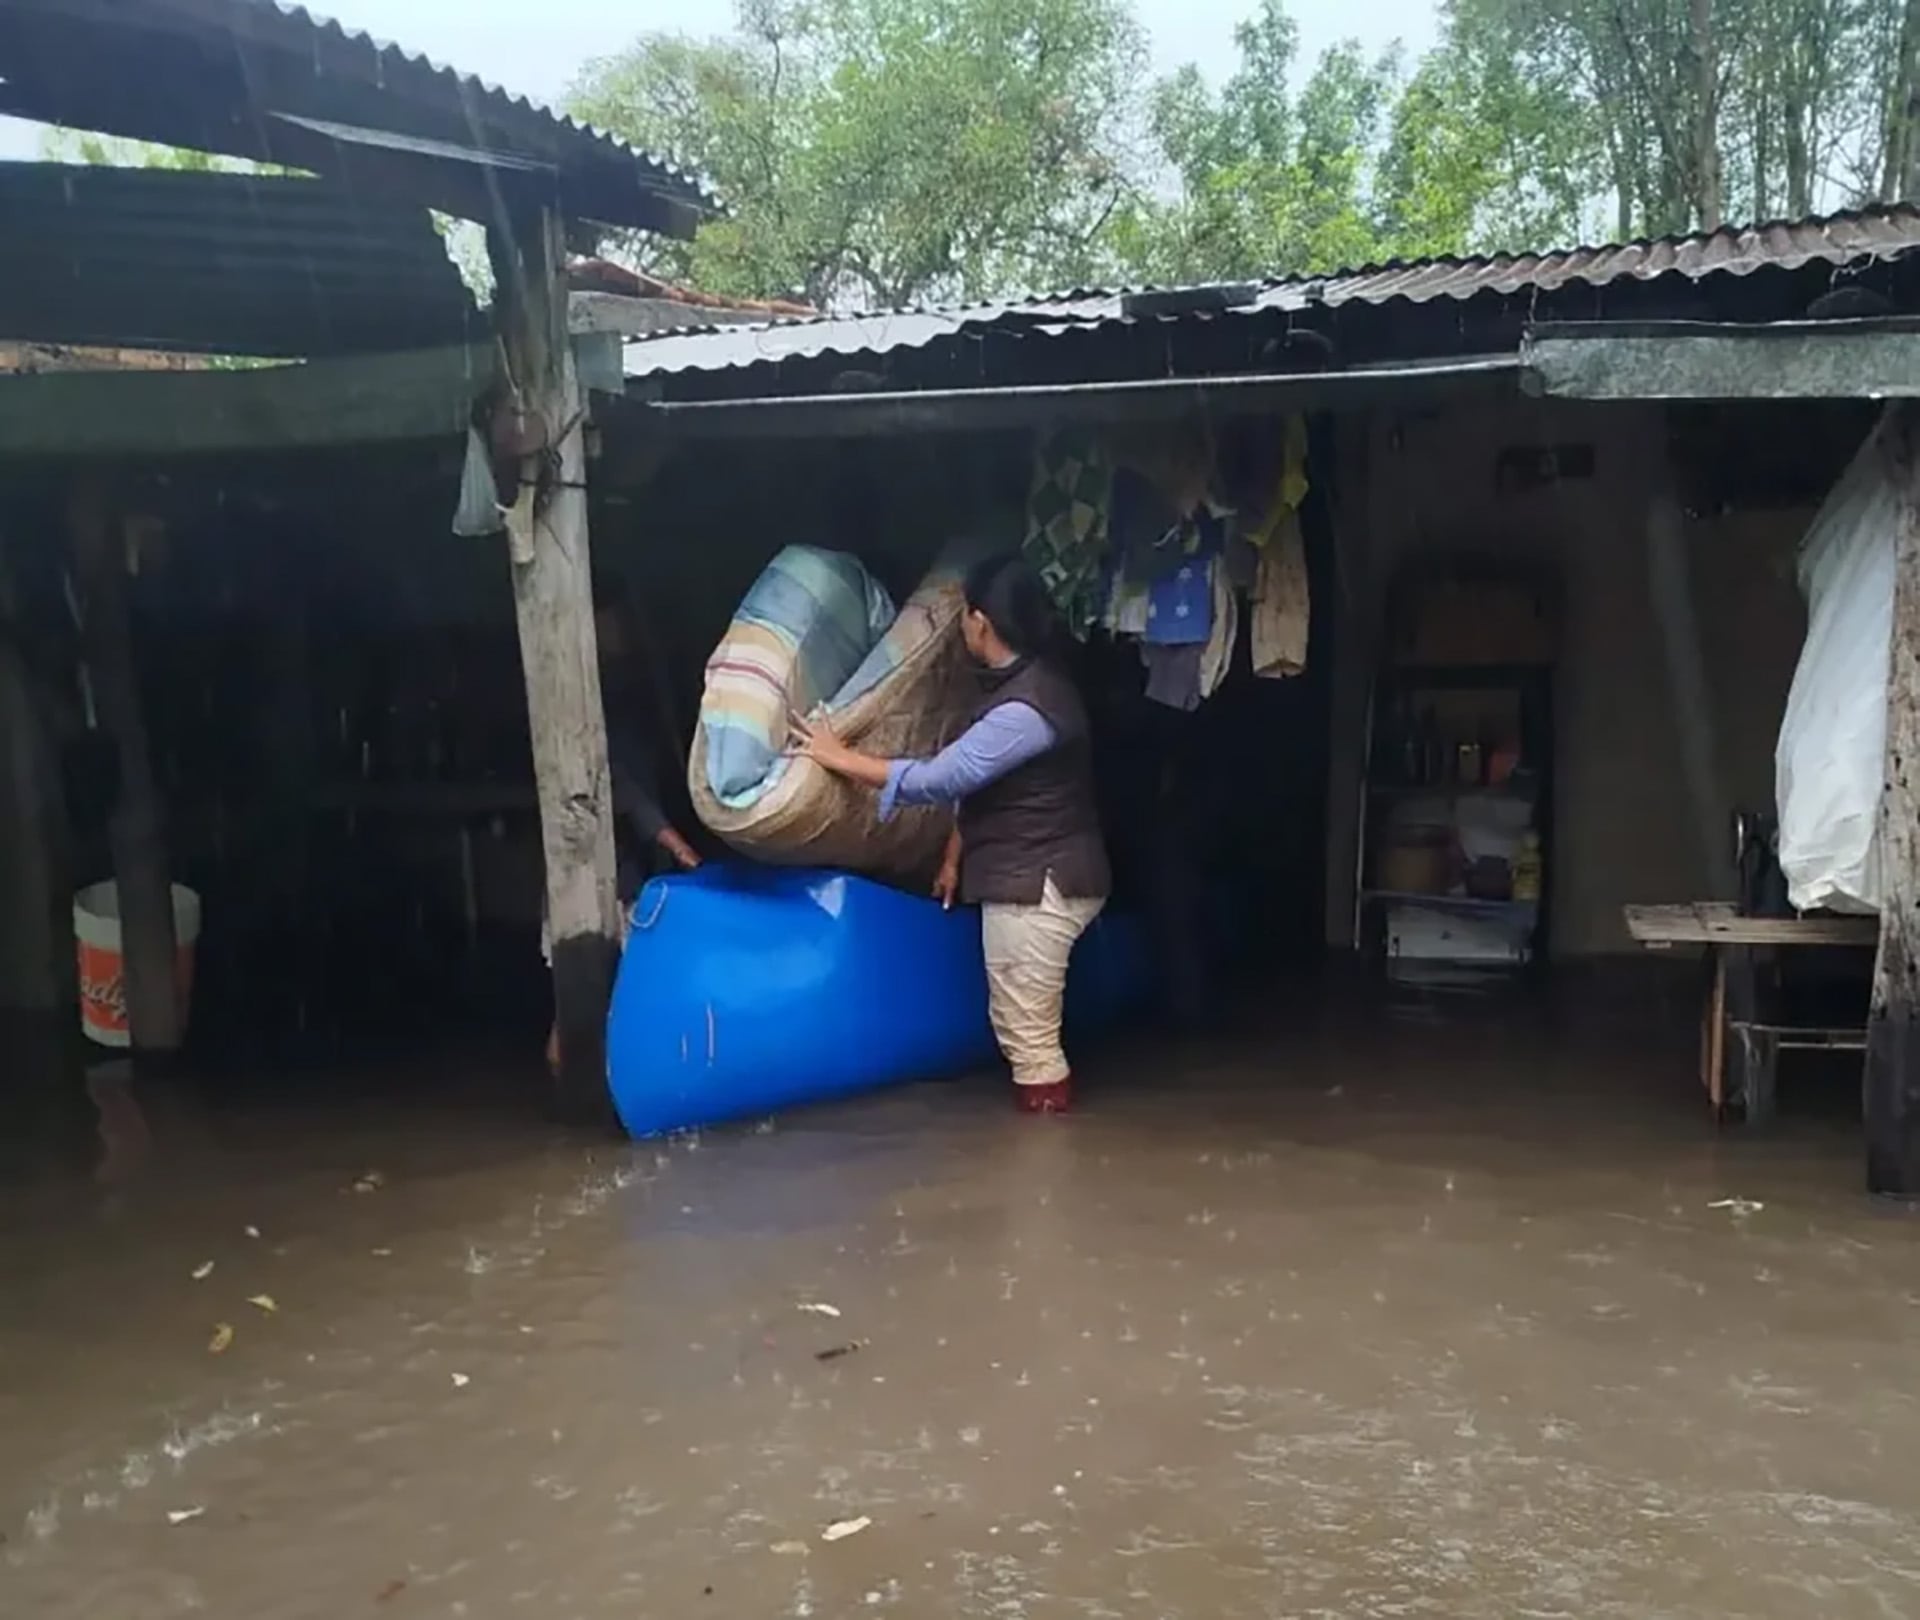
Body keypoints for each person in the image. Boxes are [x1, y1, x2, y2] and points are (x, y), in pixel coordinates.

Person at [794, 554, 1110, 1114]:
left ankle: (1047, 1169)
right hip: (1042, 875)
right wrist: (953, 855)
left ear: (980, 622)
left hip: (1037, 886)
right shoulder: (1028, 686)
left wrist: (837, 756)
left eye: (963, 616)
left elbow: (945, 777)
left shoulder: (1026, 707)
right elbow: (986, 787)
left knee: (1027, 1038)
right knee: (1024, 1028)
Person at [544, 576, 701, 1075]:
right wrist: (673, 841)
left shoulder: (633, 692)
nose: (616, 637)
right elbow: (623, 785)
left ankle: (590, 1099)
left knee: (617, 993)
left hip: (629, 863)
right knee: (584, 1004)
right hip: (594, 870)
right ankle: (575, 1095)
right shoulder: (586, 701)